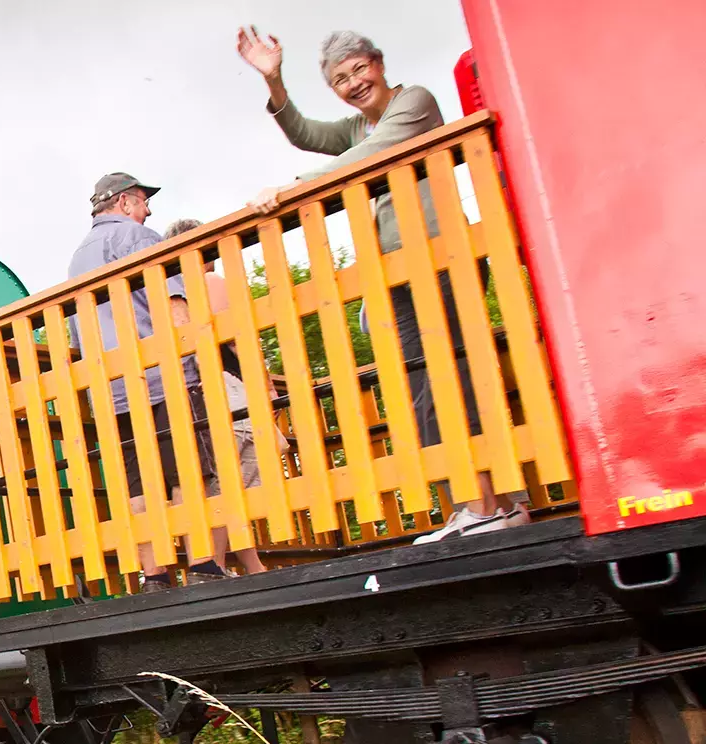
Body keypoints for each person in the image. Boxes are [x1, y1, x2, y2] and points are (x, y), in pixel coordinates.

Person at [237, 26, 524, 543]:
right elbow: (305, 133)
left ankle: (497, 503)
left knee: (454, 377)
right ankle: (475, 503)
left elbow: (374, 154)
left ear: (379, 62)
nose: (354, 83)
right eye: (341, 80)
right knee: (423, 387)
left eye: (358, 70)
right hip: (395, 272)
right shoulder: (355, 129)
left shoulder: (413, 102)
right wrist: (275, 81)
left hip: (439, 258)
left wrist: (292, 188)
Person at [69, 173, 226, 592]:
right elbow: (175, 306)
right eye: (142, 201)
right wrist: (200, 366)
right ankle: (202, 565)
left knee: (138, 479)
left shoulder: (76, 260)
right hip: (160, 377)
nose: (149, 210)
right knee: (185, 470)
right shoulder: (141, 238)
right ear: (123, 203)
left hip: (110, 387)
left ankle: (154, 573)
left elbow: (75, 337)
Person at [164, 218, 275, 576]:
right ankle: (219, 563)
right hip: (229, 386)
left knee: (220, 482)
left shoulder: (165, 292)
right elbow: (238, 338)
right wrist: (265, 385)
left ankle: (235, 562)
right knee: (234, 480)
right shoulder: (209, 281)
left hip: (197, 390)